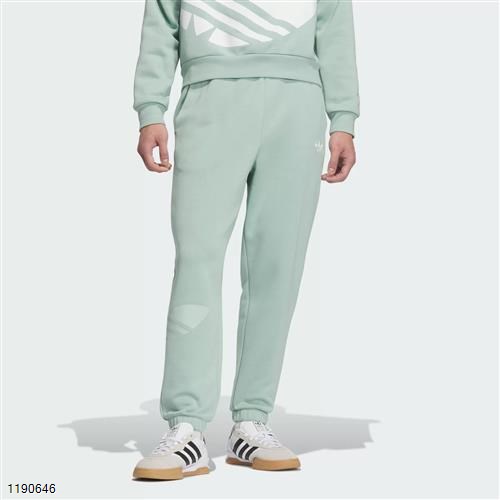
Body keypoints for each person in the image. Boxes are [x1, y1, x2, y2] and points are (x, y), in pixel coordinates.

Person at [131, 0, 360, 481]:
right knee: (197, 261)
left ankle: (252, 420)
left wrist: (343, 116)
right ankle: (187, 426)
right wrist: (150, 108)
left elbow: (334, 21)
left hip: (298, 105)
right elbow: (163, 18)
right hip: (210, 97)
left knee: (277, 266)